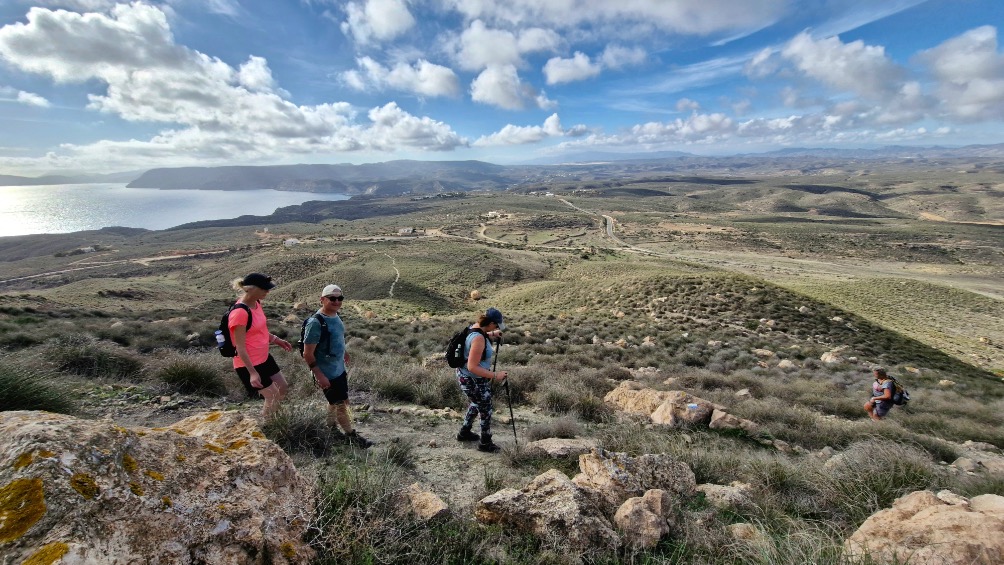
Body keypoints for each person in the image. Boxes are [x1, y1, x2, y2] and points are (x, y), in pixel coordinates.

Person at [302, 284, 372, 449]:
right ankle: (351, 436)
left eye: (339, 298)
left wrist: (344, 352)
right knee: (341, 404)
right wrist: (319, 375)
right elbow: (307, 353)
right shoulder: (315, 323)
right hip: (326, 372)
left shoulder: (335, 316)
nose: (336, 301)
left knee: (337, 402)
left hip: (338, 368)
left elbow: (336, 339)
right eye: (332, 298)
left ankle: (331, 427)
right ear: (322, 300)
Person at [229, 273, 293, 419]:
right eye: (264, 288)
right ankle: (267, 425)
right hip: (248, 363)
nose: (267, 291)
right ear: (249, 289)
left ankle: (272, 419)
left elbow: (259, 331)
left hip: (263, 357)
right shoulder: (239, 313)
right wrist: (252, 372)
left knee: (282, 388)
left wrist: (276, 339)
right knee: (272, 395)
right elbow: (239, 347)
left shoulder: (256, 303)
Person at [455, 307, 508, 453]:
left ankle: (464, 432)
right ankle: (485, 442)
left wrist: (492, 334)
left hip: (466, 376)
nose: (497, 327)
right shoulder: (478, 338)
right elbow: (472, 366)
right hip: (472, 379)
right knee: (485, 407)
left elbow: (479, 335)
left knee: (476, 403)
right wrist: (495, 375)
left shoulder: (475, 328)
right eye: (496, 325)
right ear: (490, 323)